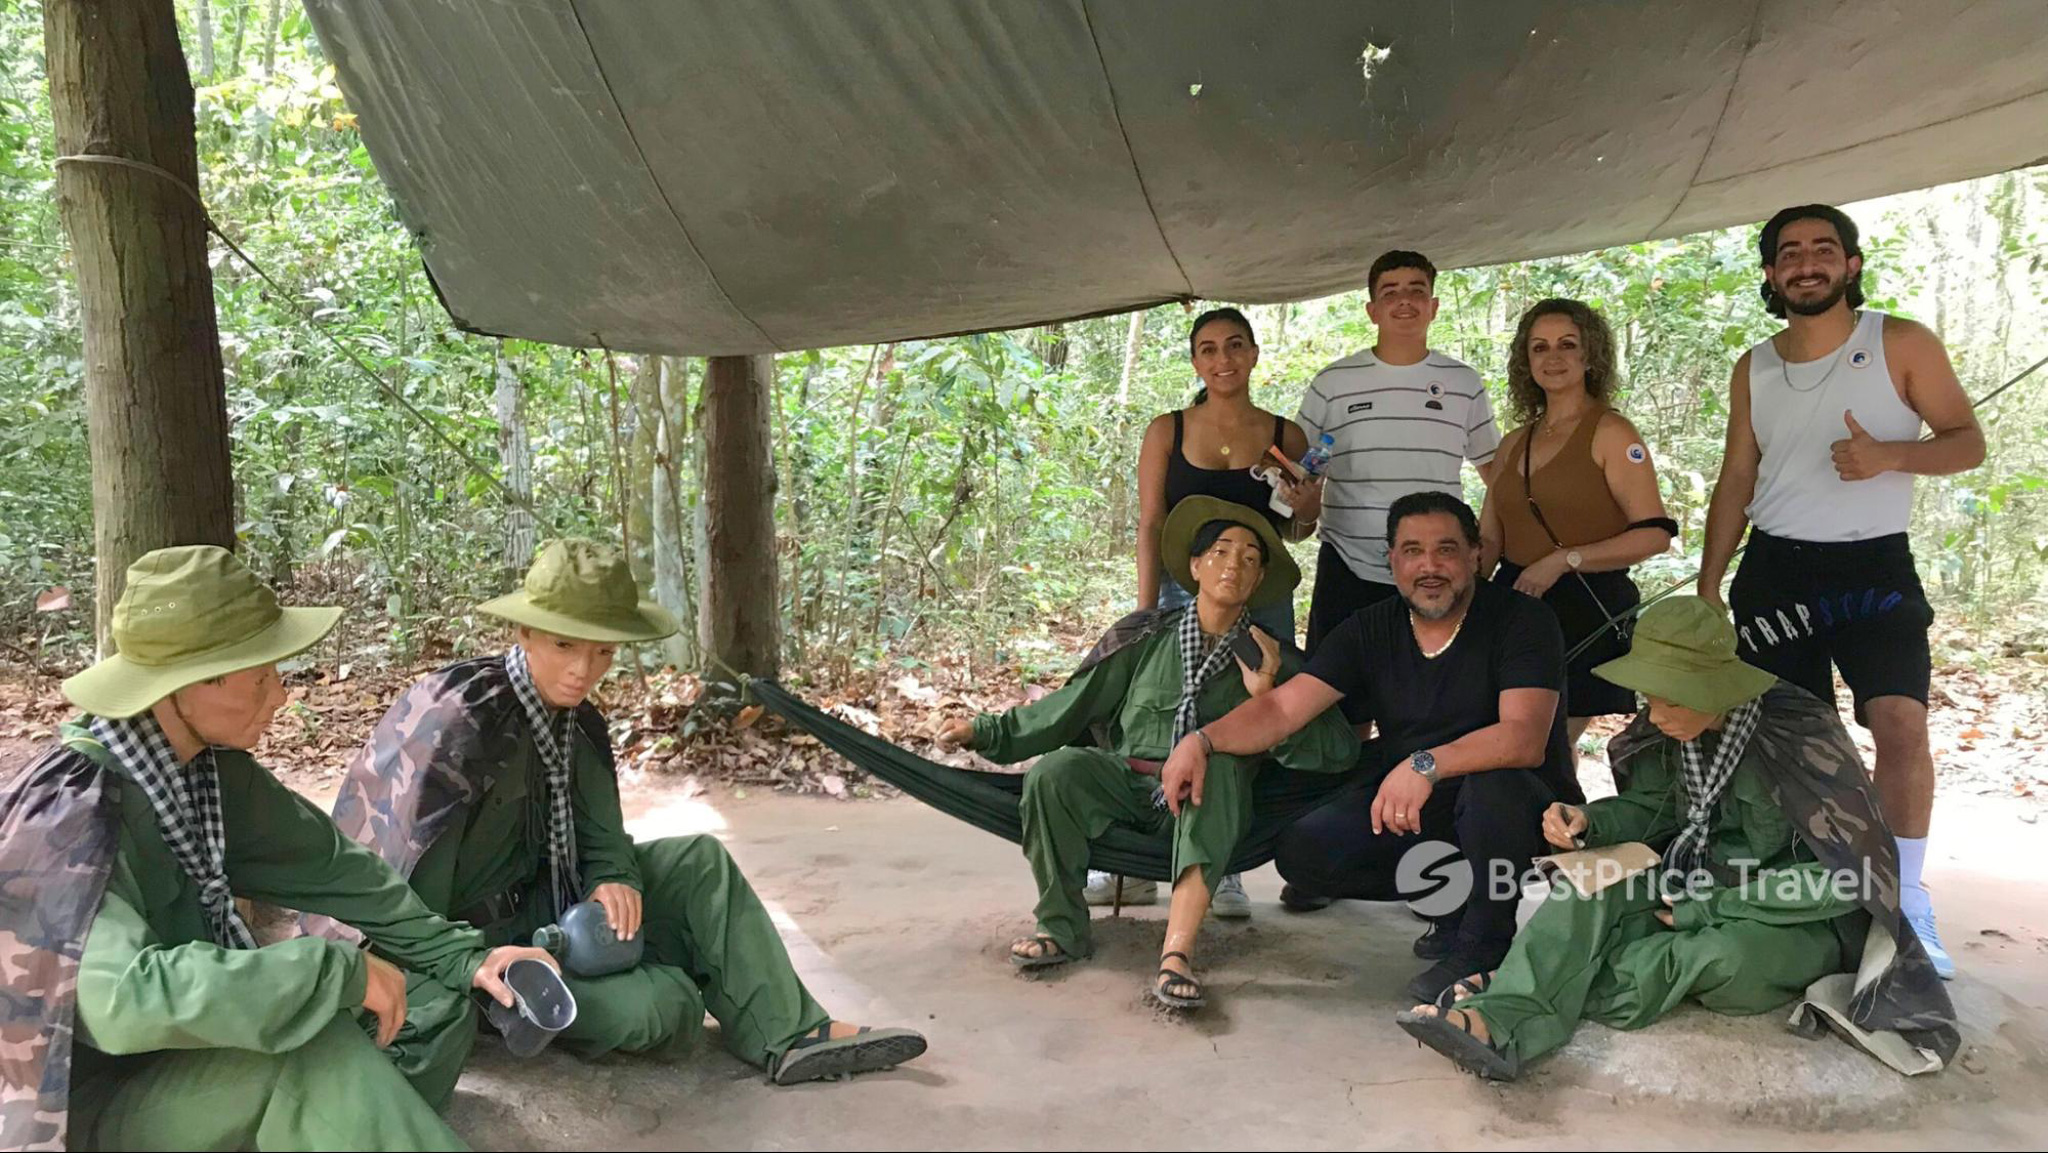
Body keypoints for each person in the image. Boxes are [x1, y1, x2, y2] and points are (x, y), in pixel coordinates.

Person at [0, 545, 551, 1151]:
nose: (281, 694)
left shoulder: (206, 775)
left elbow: (339, 871)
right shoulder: (71, 811)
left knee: (433, 1004)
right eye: (261, 676)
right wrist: (329, 971)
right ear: (186, 684)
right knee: (311, 1054)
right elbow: (122, 1002)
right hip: (86, 1107)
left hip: (191, 1060)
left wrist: (465, 959)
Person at [321, 539, 927, 1084]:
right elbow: (398, 892)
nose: (582, 670)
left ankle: (790, 1034)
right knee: (665, 1009)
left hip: (550, 913)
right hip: (463, 953)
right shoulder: (459, 722)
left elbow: (604, 837)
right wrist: (470, 965)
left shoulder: (577, 722)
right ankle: (511, 1012)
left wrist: (615, 877)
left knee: (699, 861)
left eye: (603, 652)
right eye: (564, 645)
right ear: (525, 633)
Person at [1394, 597, 1959, 1082]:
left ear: (1715, 684)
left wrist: (1712, 908)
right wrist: (1590, 822)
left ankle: (1532, 980)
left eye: (1672, 698)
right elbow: (1654, 810)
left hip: (1785, 915)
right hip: (1688, 880)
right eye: (1651, 696)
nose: (1657, 714)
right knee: (1583, 889)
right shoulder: (1674, 731)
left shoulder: (1800, 735)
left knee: (1715, 960)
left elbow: (1850, 877)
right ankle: (1499, 1020)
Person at [1698, 204, 1985, 978]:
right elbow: (1737, 474)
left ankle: (1906, 896)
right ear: (1770, 273)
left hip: (1873, 569)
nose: (1807, 263)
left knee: (1901, 722)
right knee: (1798, 741)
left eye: (1823, 248)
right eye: (1789, 252)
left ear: (1851, 264)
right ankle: (1817, 892)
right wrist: (1709, 581)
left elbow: (1968, 442)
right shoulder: (1754, 366)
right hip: (1776, 571)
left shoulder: (1900, 341)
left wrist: (1892, 455)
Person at [938, 497, 1358, 1011]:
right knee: (1055, 772)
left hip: (1209, 805)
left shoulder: (1274, 658)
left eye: (1250, 559)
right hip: (1128, 786)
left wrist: (1265, 695)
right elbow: (1071, 707)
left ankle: (1176, 954)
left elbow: (1337, 752)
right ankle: (1062, 929)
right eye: (1221, 552)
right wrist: (984, 732)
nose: (1234, 565)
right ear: (1195, 566)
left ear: (1259, 579)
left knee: (1216, 769)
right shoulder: (1144, 638)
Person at [1159, 492, 1580, 1004]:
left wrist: (1425, 764)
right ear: (1392, 561)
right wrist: (1202, 740)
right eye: (1412, 551)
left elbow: (1523, 739)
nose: (1429, 566)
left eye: (1446, 550)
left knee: (1494, 793)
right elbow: (1284, 709)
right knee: (1307, 852)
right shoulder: (1371, 627)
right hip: (1420, 796)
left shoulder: (1522, 620)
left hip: (1518, 799)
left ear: (1475, 555)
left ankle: (1483, 946)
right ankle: (1451, 905)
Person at [1120, 306, 1310, 917]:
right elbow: (1151, 523)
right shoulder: (1168, 430)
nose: (1222, 359)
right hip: (1182, 592)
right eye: (1208, 349)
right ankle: (1132, 856)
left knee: (1248, 715)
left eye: (1234, 346)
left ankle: (1224, 862)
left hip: (1263, 596)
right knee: (1158, 714)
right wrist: (1146, 610)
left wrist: (1308, 503)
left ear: (1253, 354)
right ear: (1195, 361)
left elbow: (1297, 530)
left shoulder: (1286, 433)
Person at [1480, 298, 1676, 757]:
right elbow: (1489, 539)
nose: (1553, 357)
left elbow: (1655, 534)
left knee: (1548, 744)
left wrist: (1563, 561)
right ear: (1526, 361)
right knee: (1510, 737)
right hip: (1516, 600)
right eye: (1540, 347)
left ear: (1590, 356)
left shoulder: (1612, 433)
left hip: (1585, 600)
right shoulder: (1514, 442)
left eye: (1567, 344)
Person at [1289, 250, 1501, 656]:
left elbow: (1498, 476)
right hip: (1347, 566)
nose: (1404, 300)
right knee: (1337, 690)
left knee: (1434, 689)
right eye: (1390, 292)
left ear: (1433, 307)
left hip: (1436, 572)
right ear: (1372, 310)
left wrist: (1485, 549)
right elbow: (1299, 473)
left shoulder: (1464, 383)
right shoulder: (1332, 383)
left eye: (1416, 291)